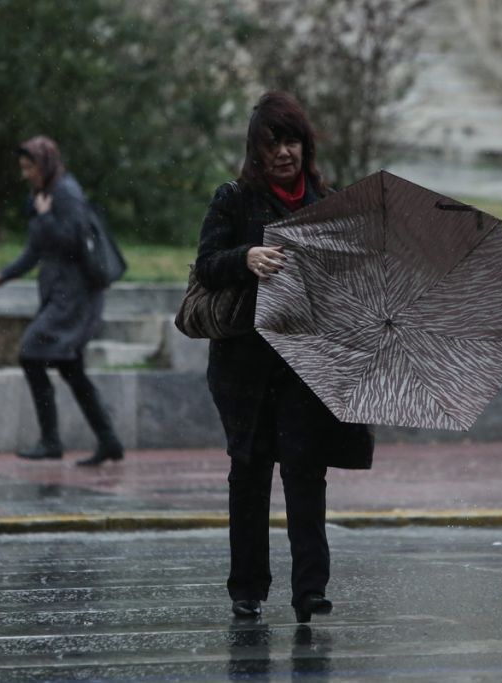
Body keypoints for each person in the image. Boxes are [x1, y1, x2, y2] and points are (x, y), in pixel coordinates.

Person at [194, 92, 374, 623]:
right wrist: (245, 257)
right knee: (248, 474)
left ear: (305, 145)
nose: (283, 153)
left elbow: (351, 278)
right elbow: (206, 265)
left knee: (305, 473)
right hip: (245, 365)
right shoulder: (234, 200)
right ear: (255, 150)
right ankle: (247, 589)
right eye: (271, 143)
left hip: (306, 362)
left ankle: (309, 591)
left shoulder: (328, 201)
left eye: (291, 141)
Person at [0, 135, 124, 467]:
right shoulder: (45, 193)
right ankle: (109, 441)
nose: (25, 174)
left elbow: (74, 242)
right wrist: (4, 276)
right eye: (23, 167)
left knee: (31, 354)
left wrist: (45, 217)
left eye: (29, 167)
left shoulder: (66, 193)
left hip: (75, 298)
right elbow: (38, 248)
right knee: (70, 367)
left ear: (44, 164)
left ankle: (51, 441)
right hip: (60, 294)